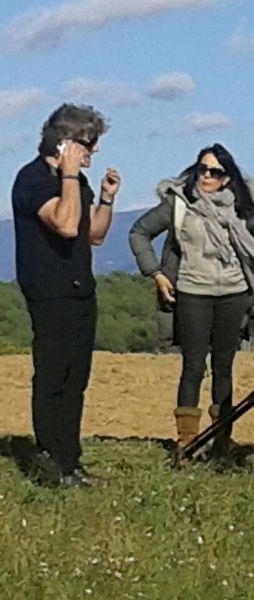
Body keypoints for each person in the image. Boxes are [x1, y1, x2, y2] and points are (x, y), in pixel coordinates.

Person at [129, 143, 254, 458]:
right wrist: (155, 273)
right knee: (193, 366)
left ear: (227, 179)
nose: (206, 176)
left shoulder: (241, 209)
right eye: (202, 169)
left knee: (224, 367)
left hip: (234, 295)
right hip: (192, 292)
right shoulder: (178, 204)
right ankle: (187, 440)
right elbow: (139, 232)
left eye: (215, 172)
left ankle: (222, 437)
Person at [12, 103, 120, 488]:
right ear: (65, 142)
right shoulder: (33, 180)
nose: (94, 152)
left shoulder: (78, 183)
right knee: (53, 376)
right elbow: (66, 223)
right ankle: (49, 463)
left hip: (80, 291)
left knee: (76, 380)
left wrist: (106, 198)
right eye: (88, 143)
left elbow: (94, 233)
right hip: (50, 293)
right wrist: (69, 175)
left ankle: (71, 461)